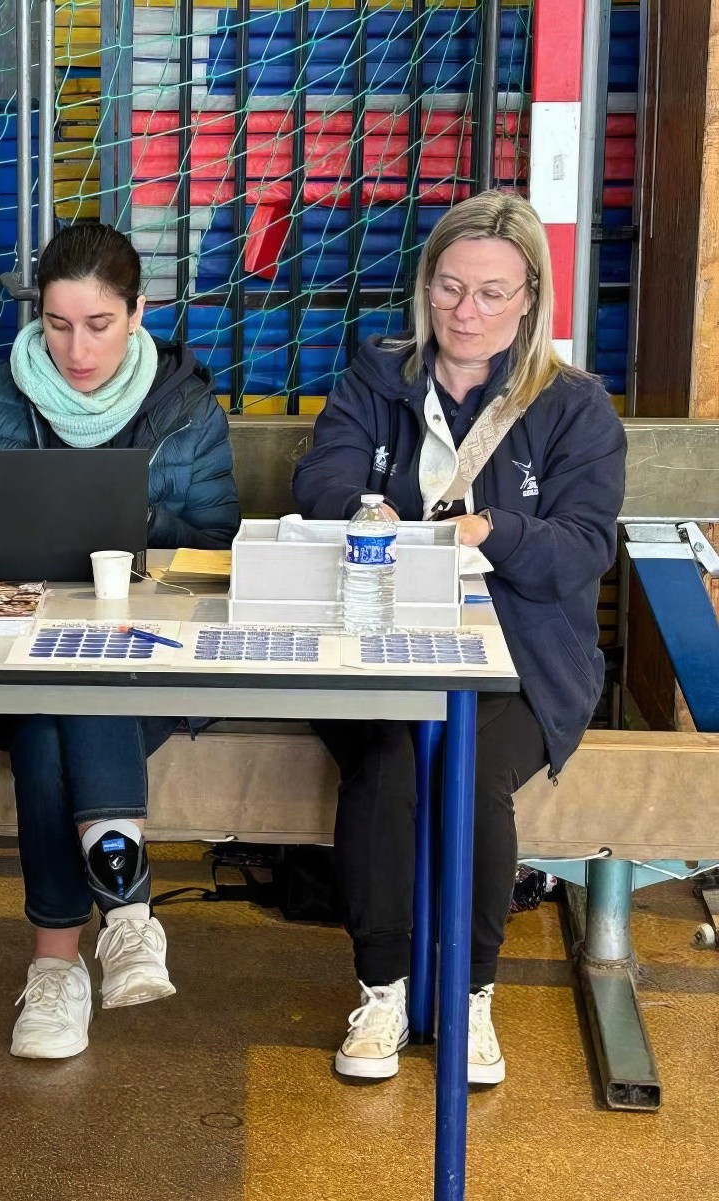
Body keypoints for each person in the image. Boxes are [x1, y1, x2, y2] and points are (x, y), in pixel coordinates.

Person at [292, 190, 627, 1085]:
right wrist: (369, 508)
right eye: (449, 287)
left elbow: (583, 547)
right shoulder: (377, 376)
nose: (465, 311)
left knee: (469, 766)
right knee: (389, 762)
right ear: (425, 286)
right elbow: (320, 479)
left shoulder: (574, 408)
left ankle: (471, 992)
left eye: (490, 293)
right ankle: (384, 989)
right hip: (375, 638)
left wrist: (492, 530)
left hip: (522, 656)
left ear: (529, 299)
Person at [0, 223, 240, 1059]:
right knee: (56, 693)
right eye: (57, 324)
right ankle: (127, 914)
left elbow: (219, 544)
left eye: (98, 324)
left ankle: (55, 968)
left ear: (138, 313)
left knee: (64, 702)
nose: (77, 349)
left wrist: (130, 519)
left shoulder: (185, 406)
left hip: (147, 666)